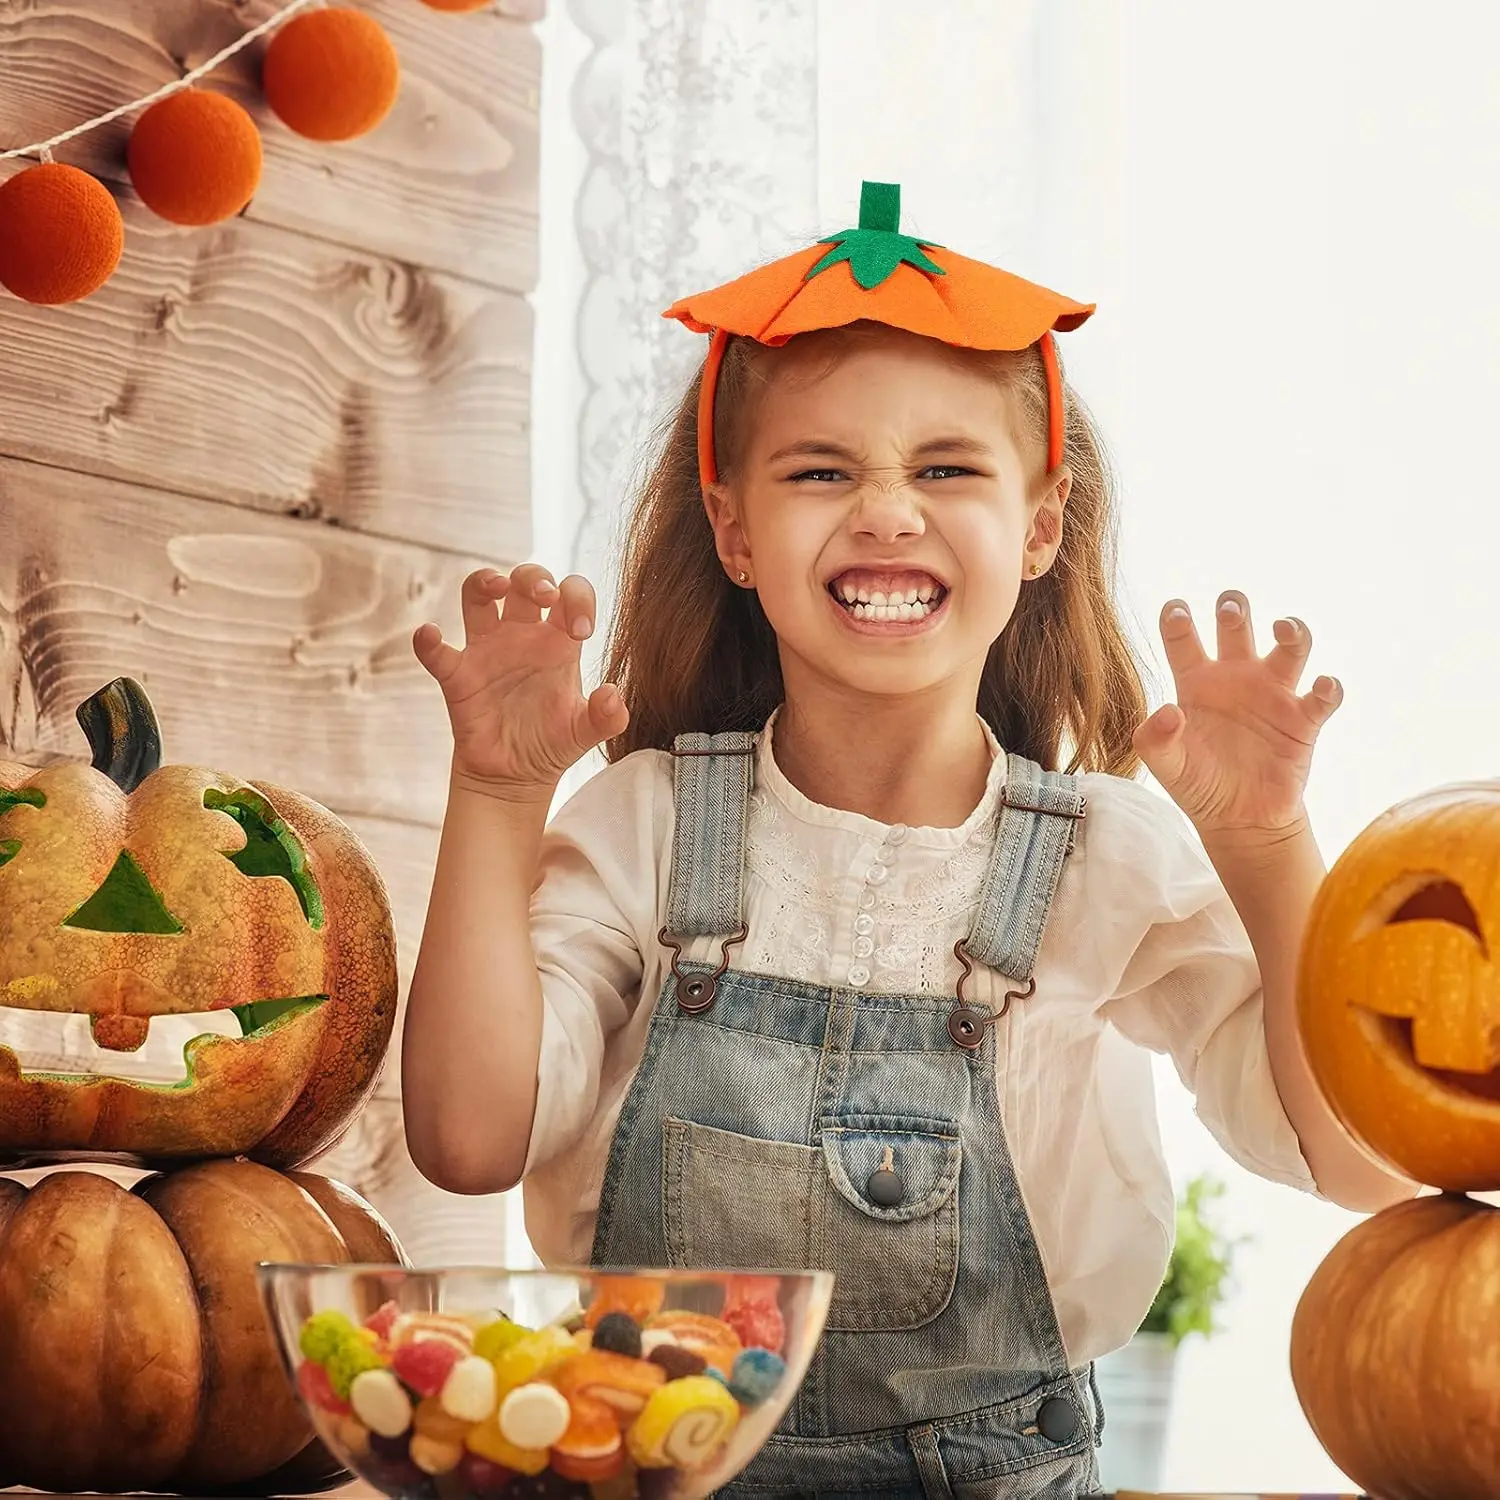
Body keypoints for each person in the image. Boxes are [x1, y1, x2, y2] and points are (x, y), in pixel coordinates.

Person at [402, 182, 1413, 1497]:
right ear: (735, 531)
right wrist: (494, 798)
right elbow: (470, 1139)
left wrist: (1269, 848)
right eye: (823, 471)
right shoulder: (644, 823)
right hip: (657, 1468)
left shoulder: (1108, 858)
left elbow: (1357, 1162)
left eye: (946, 468)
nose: (887, 510)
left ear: (1040, 526)